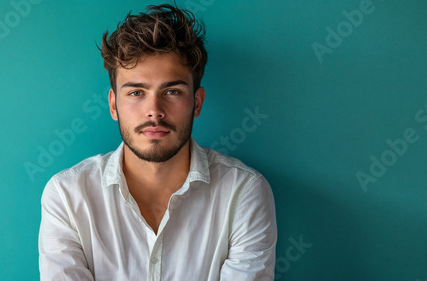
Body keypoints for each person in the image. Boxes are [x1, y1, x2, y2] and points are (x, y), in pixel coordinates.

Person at [38, 3, 277, 281]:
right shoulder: (67, 196)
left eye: (172, 91)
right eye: (137, 92)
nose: (154, 110)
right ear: (114, 106)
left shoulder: (243, 193)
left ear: (196, 103)